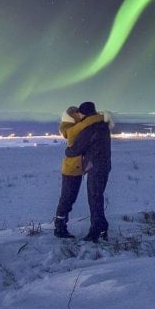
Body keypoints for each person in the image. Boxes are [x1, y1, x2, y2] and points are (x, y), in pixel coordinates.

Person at [64, 100, 113, 241]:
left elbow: (76, 149)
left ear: (83, 113)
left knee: (95, 199)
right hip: (104, 166)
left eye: (79, 113)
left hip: (95, 167)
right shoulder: (102, 126)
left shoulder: (90, 128)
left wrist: (68, 150)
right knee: (98, 197)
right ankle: (102, 229)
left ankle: (95, 231)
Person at [53, 105, 104, 238]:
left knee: (69, 199)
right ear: (72, 117)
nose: (79, 115)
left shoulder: (75, 127)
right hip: (71, 169)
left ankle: (60, 225)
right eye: (76, 114)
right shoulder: (72, 129)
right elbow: (85, 125)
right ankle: (59, 227)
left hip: (76, 168)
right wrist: (97, 117)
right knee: (67, 198)